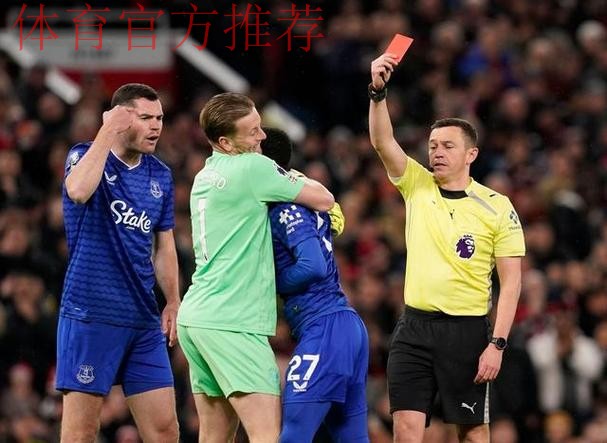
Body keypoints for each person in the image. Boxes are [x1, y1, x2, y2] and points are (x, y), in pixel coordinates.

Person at [368, 54, 526, 442]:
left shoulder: (497, 206)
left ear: (471, 154)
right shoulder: (417, 185)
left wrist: (497, 344)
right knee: (405, 427)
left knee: (472, 433)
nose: (437, 152)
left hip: (466, 331)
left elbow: (511, 282)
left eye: (448, 146)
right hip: (414, 327)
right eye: (433, 145)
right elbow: (383, 141)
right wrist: (377, 93)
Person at [177, 93, 334, 442]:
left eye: (260, 126)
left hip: (198, 318)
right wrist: (291, 176)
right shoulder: (252, 167)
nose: (262, 137)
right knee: (267, 435)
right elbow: (325, 199)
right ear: (225, 142)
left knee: (214, 437)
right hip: (233, 321)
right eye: (252, 132)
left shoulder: (206, 174)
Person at [56, 83, 180, 442]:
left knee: (165, 430)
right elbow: (78, 191)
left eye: (160, 118)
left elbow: (164, 245)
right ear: (120, 118)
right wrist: (107, 130)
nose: (156, 126)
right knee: (81, 431)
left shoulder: (160, 175)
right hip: (91, 313)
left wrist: (173, 300)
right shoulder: (84, 155)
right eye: (145, 118)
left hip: (143, 320)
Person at [260, 127, 370, 443]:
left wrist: (270, 283)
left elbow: (313, 265)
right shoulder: (304, 195)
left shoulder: (285, 207)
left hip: (325, 328)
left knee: (293, 434)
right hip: (343, 326)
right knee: (351, 437)